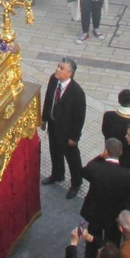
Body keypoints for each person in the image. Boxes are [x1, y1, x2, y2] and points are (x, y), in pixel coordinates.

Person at [41, 59, 86, 197]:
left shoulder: (77, 92)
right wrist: (44, 118)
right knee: (54, 151)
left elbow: (79, 117)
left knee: (72, 157)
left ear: (69, 73)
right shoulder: (53, 80)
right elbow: (48, 100)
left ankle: (76, 183)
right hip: (54, 125)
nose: (57, 69)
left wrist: (74, 137)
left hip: (67, 131)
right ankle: (57, 174)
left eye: (61, 68)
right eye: (58, 66)